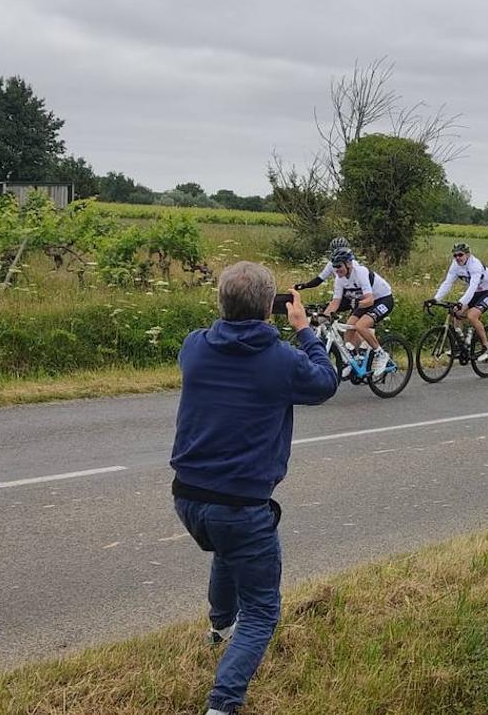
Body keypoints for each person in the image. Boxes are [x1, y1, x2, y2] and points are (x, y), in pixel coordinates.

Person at [170, 262, 338, 715]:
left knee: (229, 551)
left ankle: (219, 628)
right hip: (241, 505)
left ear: (220, 304)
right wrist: (303, 330)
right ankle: (223, 703)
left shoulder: (195, 348)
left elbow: (223, 336)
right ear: (271, 308)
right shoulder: (282, 360)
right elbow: (325, 383)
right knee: (262, 611)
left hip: (187, 497)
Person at [316, 248, 394, 376]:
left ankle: (381, 354)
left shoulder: (361, 272)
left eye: (339, 266)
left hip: (382, 299)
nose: (337, 270)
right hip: (365, 302)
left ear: (349, 264)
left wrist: (358, 305)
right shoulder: (339, 279)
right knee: (349, 328)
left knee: (361, 326)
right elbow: (335, 303)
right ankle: (354, 358)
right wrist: (322, 318)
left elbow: (369, 299)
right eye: (334, 267)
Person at [429, 242, 488, 363]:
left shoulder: (475, 265)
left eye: (460, 255)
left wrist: (461, 302)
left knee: (472, 316)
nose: (457, 258)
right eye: (455, 255)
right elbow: (448, 283)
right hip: (476, 292)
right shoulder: (455, 265)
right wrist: (436, 299)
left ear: (468, 254)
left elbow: (472, 287)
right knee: (456, 312)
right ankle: (459, 345)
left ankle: (487, 347)